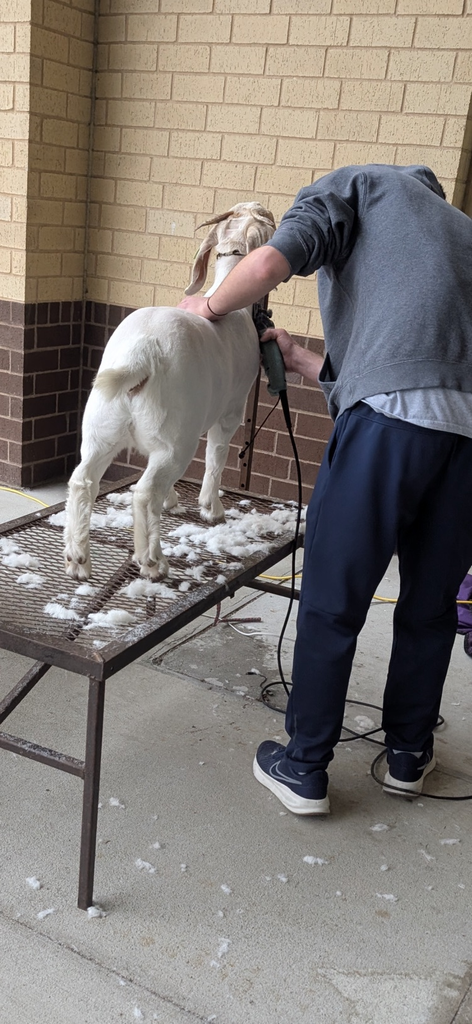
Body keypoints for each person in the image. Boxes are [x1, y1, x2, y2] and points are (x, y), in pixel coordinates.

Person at [178, 164, 472, 816]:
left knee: (333, 602)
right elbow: (418, 362)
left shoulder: (357, 187)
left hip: (385, 432)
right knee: (428, 610)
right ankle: (407, 758)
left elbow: (271, 262)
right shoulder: (459, 230)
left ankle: (305, 766)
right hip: (465, 443)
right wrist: (306, 359)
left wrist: (207, 303)